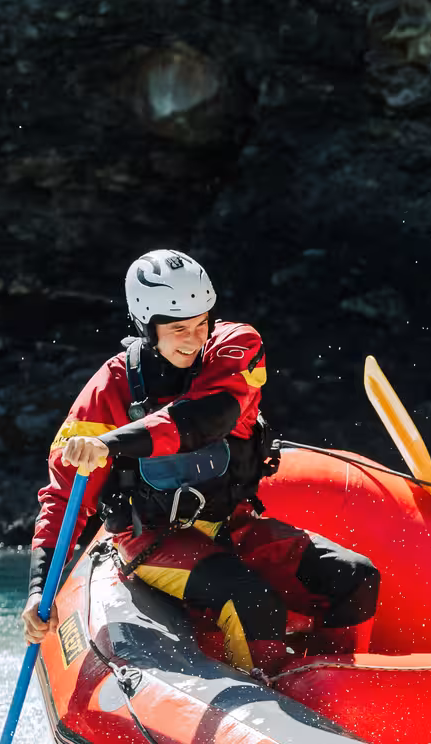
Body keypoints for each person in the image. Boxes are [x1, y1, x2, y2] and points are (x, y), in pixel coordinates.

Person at [22, 249, 380, 675]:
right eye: (178, 329)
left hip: (235, 524)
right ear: (145, 326)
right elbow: (63, 498)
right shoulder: (108, 391)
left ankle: (335, 689)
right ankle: (268, 697)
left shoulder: (236, 345)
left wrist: (110, 443)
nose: (194, 340)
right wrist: (38, 590)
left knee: (355, 575)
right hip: (154, 542)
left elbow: (209, 417)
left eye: (201, 324)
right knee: (249, 599)